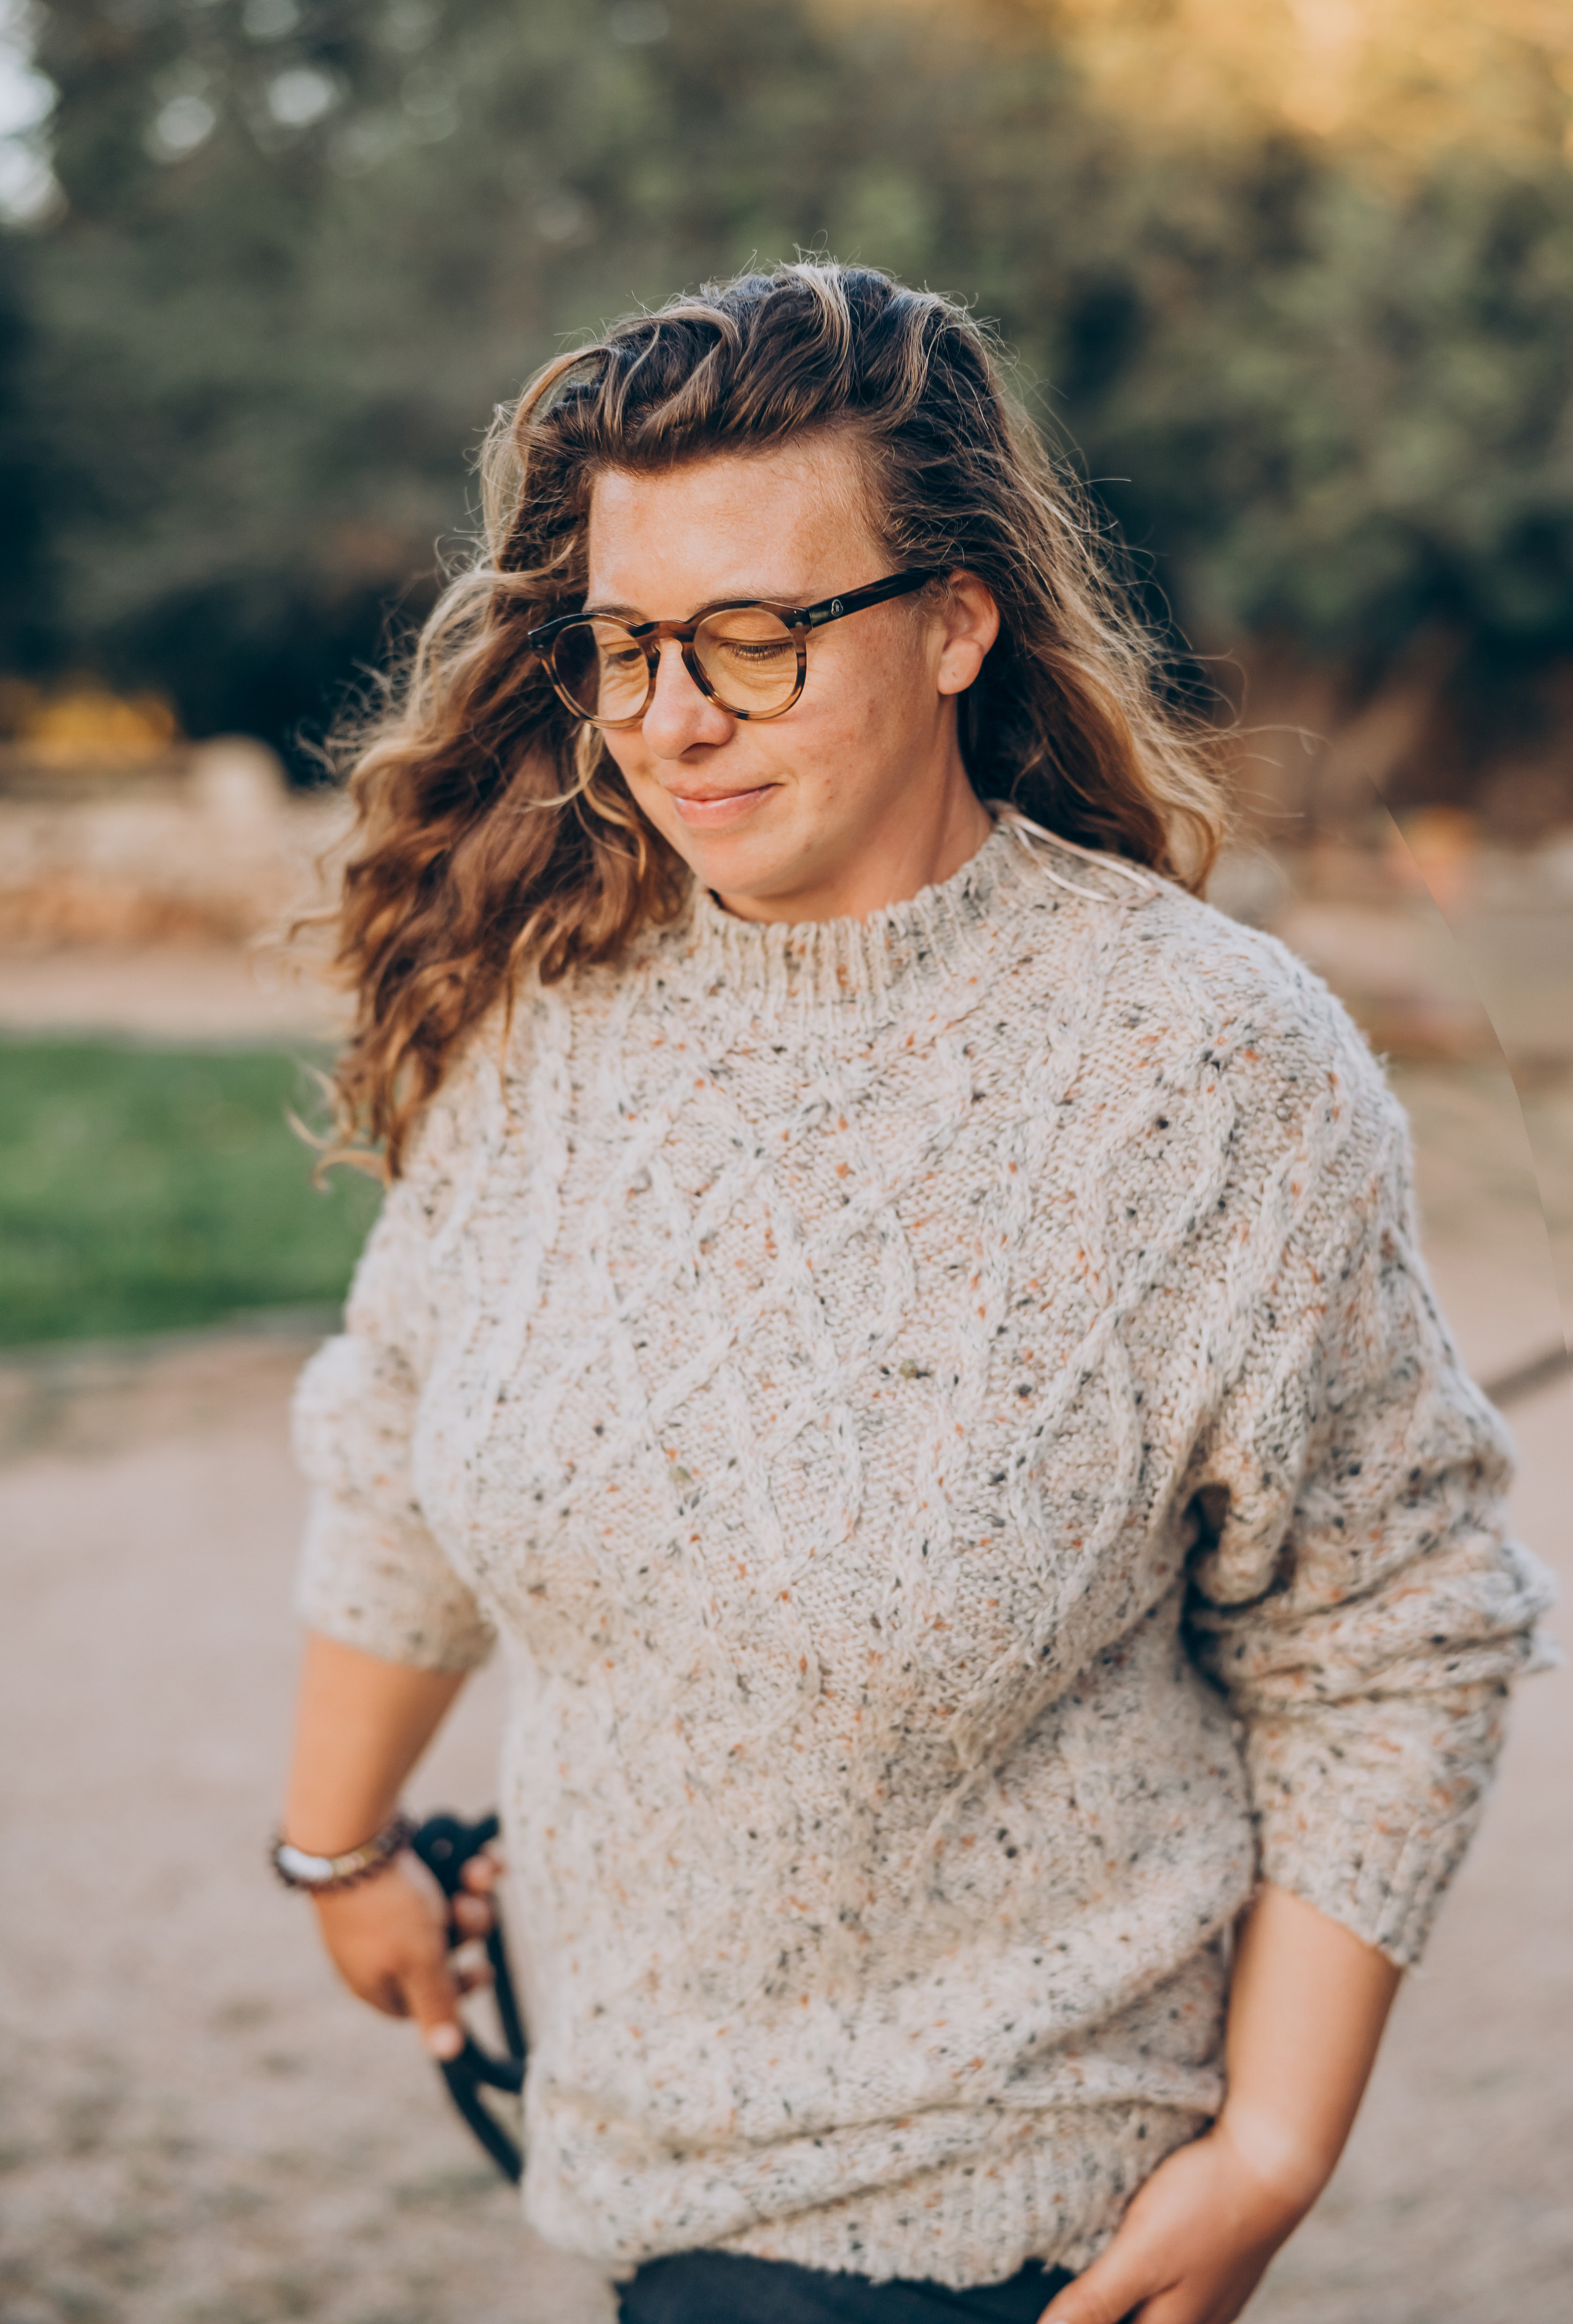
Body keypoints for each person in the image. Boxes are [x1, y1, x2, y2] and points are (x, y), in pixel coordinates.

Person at [276, 264, 1550, 2324]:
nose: (673, 718)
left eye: (758, 638)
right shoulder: (555, 1014)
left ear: (957, 620)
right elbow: (397, 1440)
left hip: (1011, 2227)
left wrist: (1275, 2158)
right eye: (626, 646)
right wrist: (336, 1853)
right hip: (622, 2170)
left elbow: (1398, 1629)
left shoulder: (1206, 1073)